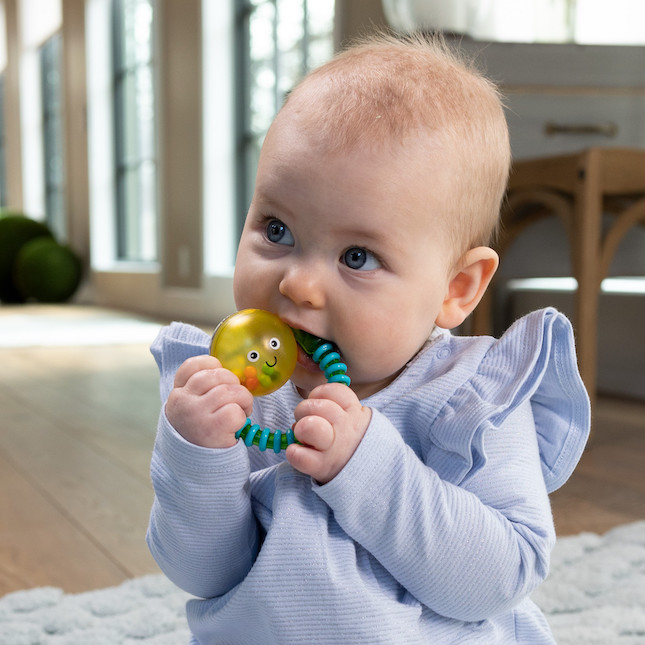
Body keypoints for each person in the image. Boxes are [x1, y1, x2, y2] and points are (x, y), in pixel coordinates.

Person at [147, 33, 590, 644]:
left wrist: (367, 466)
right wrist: (196, 456)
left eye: (358, 255)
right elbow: (203, 572)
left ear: (456, 288)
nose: (299, 284)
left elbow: (500, 576)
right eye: (276, 228)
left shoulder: (474, 400)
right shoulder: (247, 394)